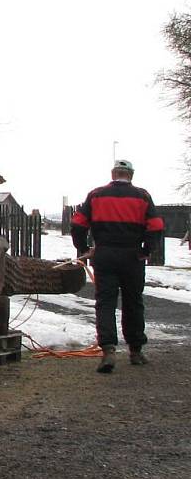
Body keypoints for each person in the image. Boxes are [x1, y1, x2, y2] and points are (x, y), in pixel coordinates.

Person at [70, 159, 164, 373]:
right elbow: (156, 226)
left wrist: (84, 247)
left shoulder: (96, 195)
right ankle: (136, 351)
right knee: (133, 302)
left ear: (113, 174)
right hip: (132, 256)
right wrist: (146, 250)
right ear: (131, 175)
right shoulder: (142, 196)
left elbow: (78, 223)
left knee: (105, 303)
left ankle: (109, 350)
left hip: (104, 254)